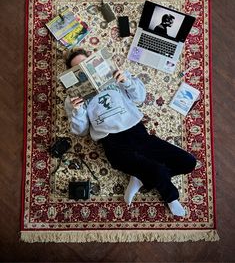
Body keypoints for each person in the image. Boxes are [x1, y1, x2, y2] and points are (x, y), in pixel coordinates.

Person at [64, 49, 196, 217]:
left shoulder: (115, 74)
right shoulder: (72, 99)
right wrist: (78, 111)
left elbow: (140, 97)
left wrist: (126, 81)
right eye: (77, 70)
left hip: (137, 131)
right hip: (112, 142)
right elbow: (80, 131)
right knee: (158, 171)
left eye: (85, 65)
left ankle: (140, 177)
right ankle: (170, 197)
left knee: (188, 162)